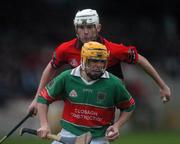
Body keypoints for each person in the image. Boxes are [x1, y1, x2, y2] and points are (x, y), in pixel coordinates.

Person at [28, 8, 171, 115]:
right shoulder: (65, 49)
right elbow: (51, 68)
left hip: (106, 101)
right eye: (81, 27)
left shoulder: (113, 50)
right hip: (80, 98)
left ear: (98, 28)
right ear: (76, 29)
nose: (85, 32)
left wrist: (162, 85)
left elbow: (141, 60)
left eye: (89, 27)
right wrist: (36, 98)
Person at [37, 41, 135, 144]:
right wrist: (44, 125)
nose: (98, 65)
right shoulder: (67, 77)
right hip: (67, 134)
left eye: (102, 61)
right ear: (83, 60)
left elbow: (129, 106)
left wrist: (116, 126)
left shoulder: (114, 83)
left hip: (98, 139)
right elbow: (43, 98)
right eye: (93, 61)